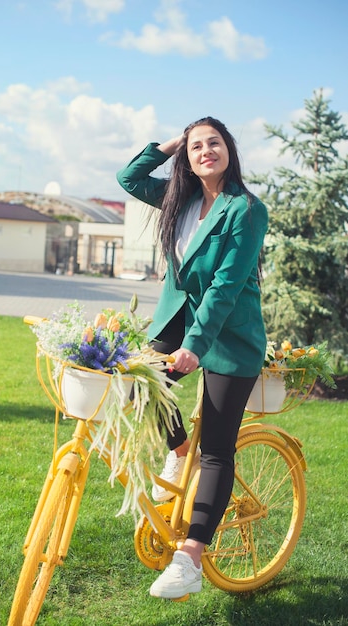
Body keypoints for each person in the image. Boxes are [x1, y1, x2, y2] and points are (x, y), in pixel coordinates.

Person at [116, 116, 268, 599]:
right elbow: (129, 178)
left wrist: (195, 348)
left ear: (230, 149)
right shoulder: (178, 198)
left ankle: (191, 559)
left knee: (219, 449)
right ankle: (180, 452)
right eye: (197, 145)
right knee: (138, 383)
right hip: (178, 321)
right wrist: (174, 143)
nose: (206, 151)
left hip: (228, 335)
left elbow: (224, 286)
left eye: (214, 143)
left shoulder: (245, 209)